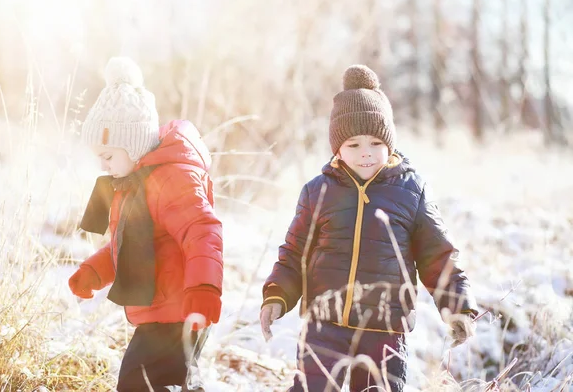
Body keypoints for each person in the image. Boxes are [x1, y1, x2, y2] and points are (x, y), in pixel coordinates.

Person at [260, 65, 478, 391]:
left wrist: (457, 306)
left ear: (389, 142)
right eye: (353, 145)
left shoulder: (410, 190)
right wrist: (277, 294)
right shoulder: (318, 191)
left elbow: (438, 254)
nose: (365, 154)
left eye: (376, 142)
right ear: (337, 148)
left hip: (385, 329)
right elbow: (294, 253)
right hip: (325, 323)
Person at [68, 57, 223, 392]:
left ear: (135, 145)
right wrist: (95, 271)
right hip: (162, 312)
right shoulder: (134, 181)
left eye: (108, 155)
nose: (102, 164)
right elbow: (132, 244)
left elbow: (203, 232)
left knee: (137, 386)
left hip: (180, 311)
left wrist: (203, 291)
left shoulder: (172, 179)